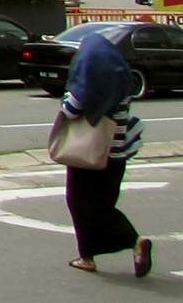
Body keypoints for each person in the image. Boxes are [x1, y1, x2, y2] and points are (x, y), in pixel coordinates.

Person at [62, 30, 151, 276]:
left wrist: (65, 97)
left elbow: (72, 110)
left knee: (80, 204)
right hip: (116, 157)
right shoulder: (122, 82)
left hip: (88, 156)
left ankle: (115, 247)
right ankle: (128, 247)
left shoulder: (87, 84)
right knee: (104, 206)